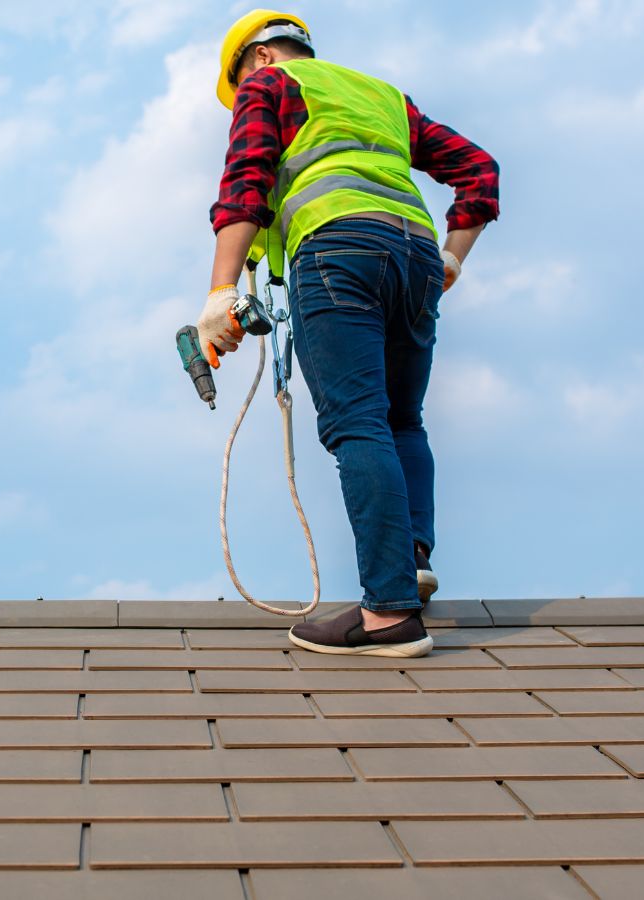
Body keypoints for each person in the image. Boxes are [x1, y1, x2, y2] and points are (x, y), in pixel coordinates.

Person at [198, 10, 500, 657]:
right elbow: (478, 168)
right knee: (401, 420)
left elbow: (246, 184)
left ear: (258, 61)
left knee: (356, 423)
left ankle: (389, 615)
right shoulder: (384, 97)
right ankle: (409, 563)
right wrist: (452, 257)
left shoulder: (270, 87)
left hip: (337, 250)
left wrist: (220, 291)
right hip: (415, 253)